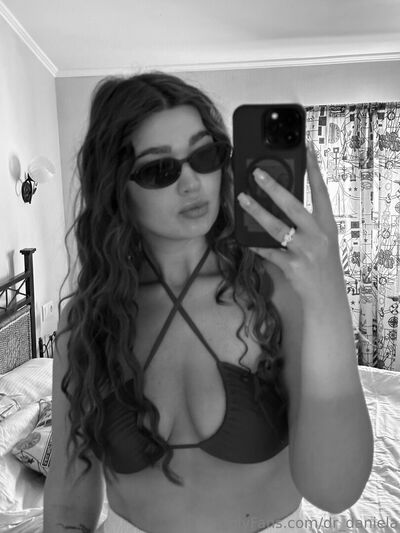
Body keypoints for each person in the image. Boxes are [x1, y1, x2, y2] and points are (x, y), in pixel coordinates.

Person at [43, 72, 374, 533]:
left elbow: (336, 492)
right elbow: (67, 502)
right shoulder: (87, 322)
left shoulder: (276, 293)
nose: (193, 182)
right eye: (160, 169)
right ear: (117, 187)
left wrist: (329, 293)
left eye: (205, 155)